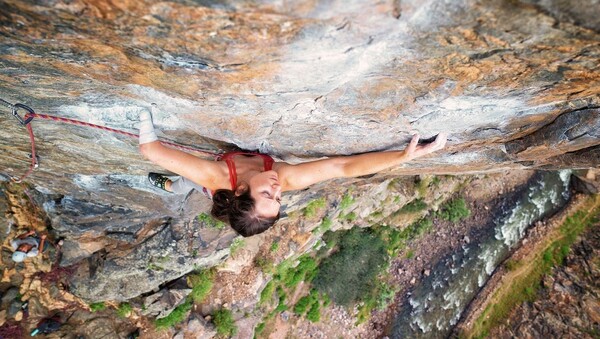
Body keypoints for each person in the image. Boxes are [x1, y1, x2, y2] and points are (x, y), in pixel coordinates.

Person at [138, 108, 447, 237]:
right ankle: (169, 185)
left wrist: (142, 114)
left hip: (212, 184)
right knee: (188, 186)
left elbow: (151, 150)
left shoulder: (215, 178)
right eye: (278, 198)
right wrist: (402, 157)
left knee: (186, 185)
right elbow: (342, 167)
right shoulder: (285, 178)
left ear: (241, 191)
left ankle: (166, 184)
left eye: (266, 194)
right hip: (228, 184)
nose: (277, 188)